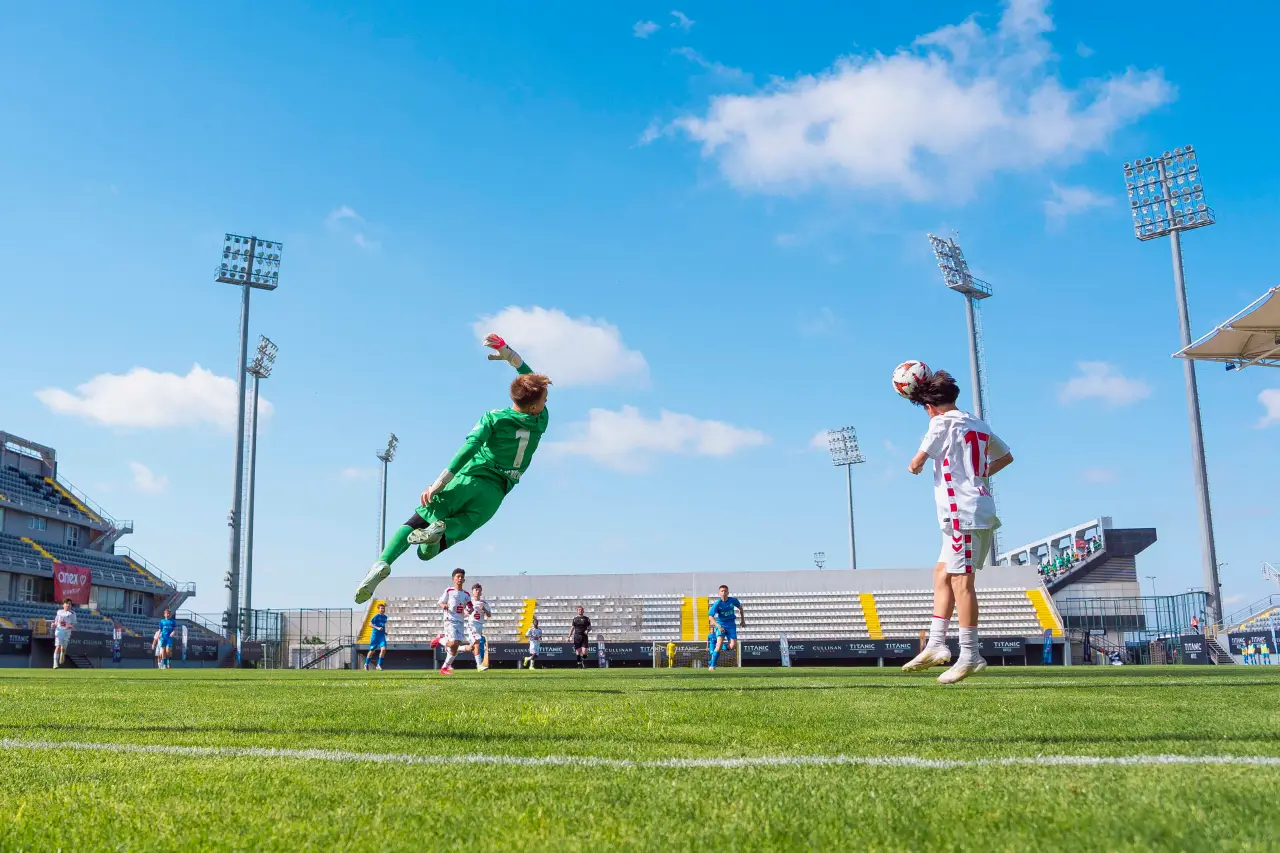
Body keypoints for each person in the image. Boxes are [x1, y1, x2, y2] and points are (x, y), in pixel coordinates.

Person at [355, 334, 552, 603]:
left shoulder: (494, 417)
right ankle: (437, 534)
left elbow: (469, 447)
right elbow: (535, 384)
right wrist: (511, 356)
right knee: (428, 552)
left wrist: (439, 482)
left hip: (468, 479)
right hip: (493, 496)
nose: (547, 400)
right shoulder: (540, 420)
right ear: (534, 406)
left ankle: (382, 562)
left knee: (416, 521)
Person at [900, 369, 1014, 685]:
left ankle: (970, 653)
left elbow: (916, 462)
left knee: (962, 582)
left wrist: (917, 463)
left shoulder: (940, 423)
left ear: (929, 406)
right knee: (942, 574)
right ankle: (936, 644)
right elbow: (1007, 457)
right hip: (971, 507)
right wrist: (976, 473)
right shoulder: (976, 422)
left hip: (962, 513)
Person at [429, 568, 473, 674]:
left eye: (462, 577)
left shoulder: (466, 594)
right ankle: (439, 640)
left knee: (455, 648)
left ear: (464, 580)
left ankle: (444, 668)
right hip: (450, 620)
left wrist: (470, 610)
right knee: (453, 644)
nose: (460, 578)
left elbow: (470, 606)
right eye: (458, 576)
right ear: (453, 579)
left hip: (460, 621)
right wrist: (444, 605)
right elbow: (440, 602)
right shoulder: (449, 591)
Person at [707, 585, 745, 671]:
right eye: (722, 591)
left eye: (725, 591)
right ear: (719, 593)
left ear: (728, 592)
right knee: (719, 643)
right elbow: (710, 617)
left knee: (732, 646)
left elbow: (740, 608)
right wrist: (718, 626)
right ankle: (712, 665)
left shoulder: (733, 600)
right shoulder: (717, 604)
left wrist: (742, 620)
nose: (723, 593)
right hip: (721, 625)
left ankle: (722, 647)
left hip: (731, 625)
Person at [468, 584, 492, 672]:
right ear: (472, 592)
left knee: (471, 647)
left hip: (479, 626)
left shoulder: (484, 603)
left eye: (479, 590)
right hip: (472, 625)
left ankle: (453, 648)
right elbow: (464, 613)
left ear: (481, 592)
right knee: (477, 644)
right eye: (475, 590)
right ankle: (479, 666)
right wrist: (469, 611)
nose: (477, 592)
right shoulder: (469, 602)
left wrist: (484, 609)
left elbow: (489, 615)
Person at [52, 598, 76, 669]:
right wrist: (54, 624)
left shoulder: (73, 614)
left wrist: (69, 626)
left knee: (63, 648)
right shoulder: (59, 612)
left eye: (70, 604)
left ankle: (62, 653)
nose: (68, 605)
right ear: (63, 605)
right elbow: (56, 621)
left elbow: (73, 625)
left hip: (67, 632)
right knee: (58, 646)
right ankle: (55, 664)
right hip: (59, 631)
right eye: (67, 603)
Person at [365, 602, 388, 671]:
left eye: (383, 608)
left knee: (383, 649)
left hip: (381, 636)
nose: (382, 609)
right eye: (381, 608)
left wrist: (384, 632)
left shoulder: (385, 617)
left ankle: (379, 665)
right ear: (378, 609)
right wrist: (377, 628)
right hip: (375, 636)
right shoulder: (376, 616)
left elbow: (383, 626)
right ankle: (366, 664)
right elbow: (370, 624)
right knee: (372, 651)